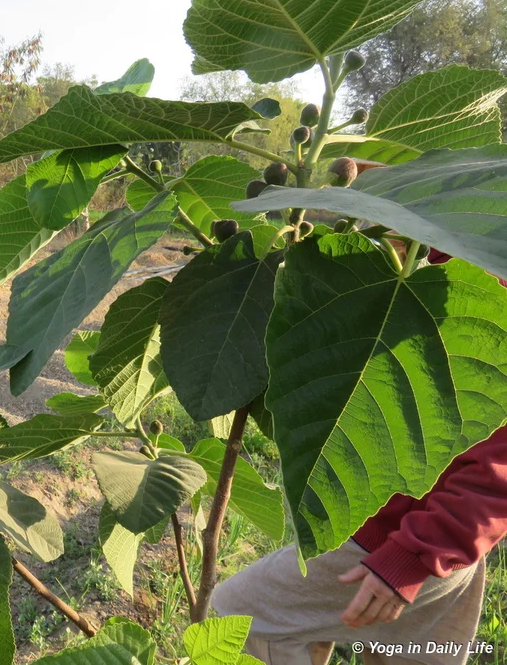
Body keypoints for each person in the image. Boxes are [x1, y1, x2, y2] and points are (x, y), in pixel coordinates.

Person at [213, 250, 507, 665]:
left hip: (403, 538)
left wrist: (410, 558)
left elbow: (500, 473)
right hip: (433, 541)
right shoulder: (450, 256)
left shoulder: (489, 286)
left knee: (235, 621)